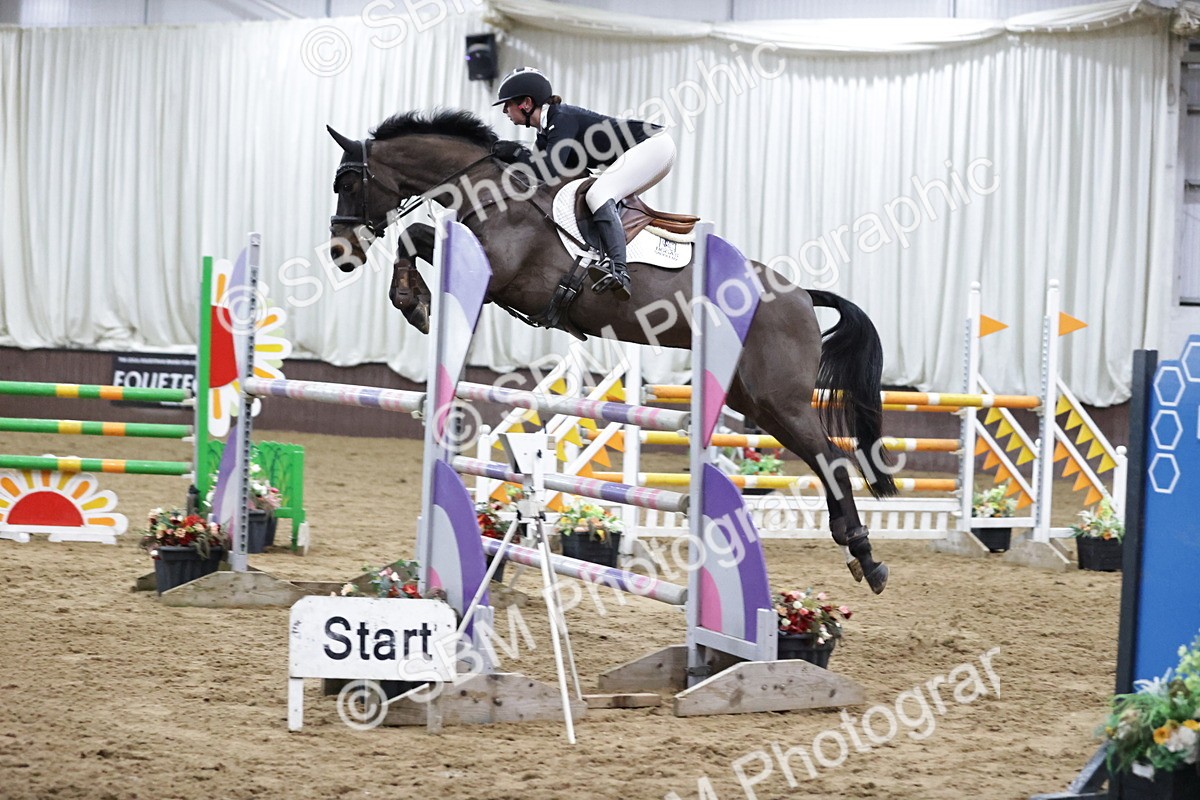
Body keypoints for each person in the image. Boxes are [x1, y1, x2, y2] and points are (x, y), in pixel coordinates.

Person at [491, 67, 676, 300]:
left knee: (599, 194)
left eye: (507, 104)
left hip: (654, 146)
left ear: (526, 103)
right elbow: (540, 178)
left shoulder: (562, 118)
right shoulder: (546, 131)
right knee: (598, 193)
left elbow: (549, 169)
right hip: (648, 150)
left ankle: (619, 270)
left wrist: (517, 151)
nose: (505, 111)